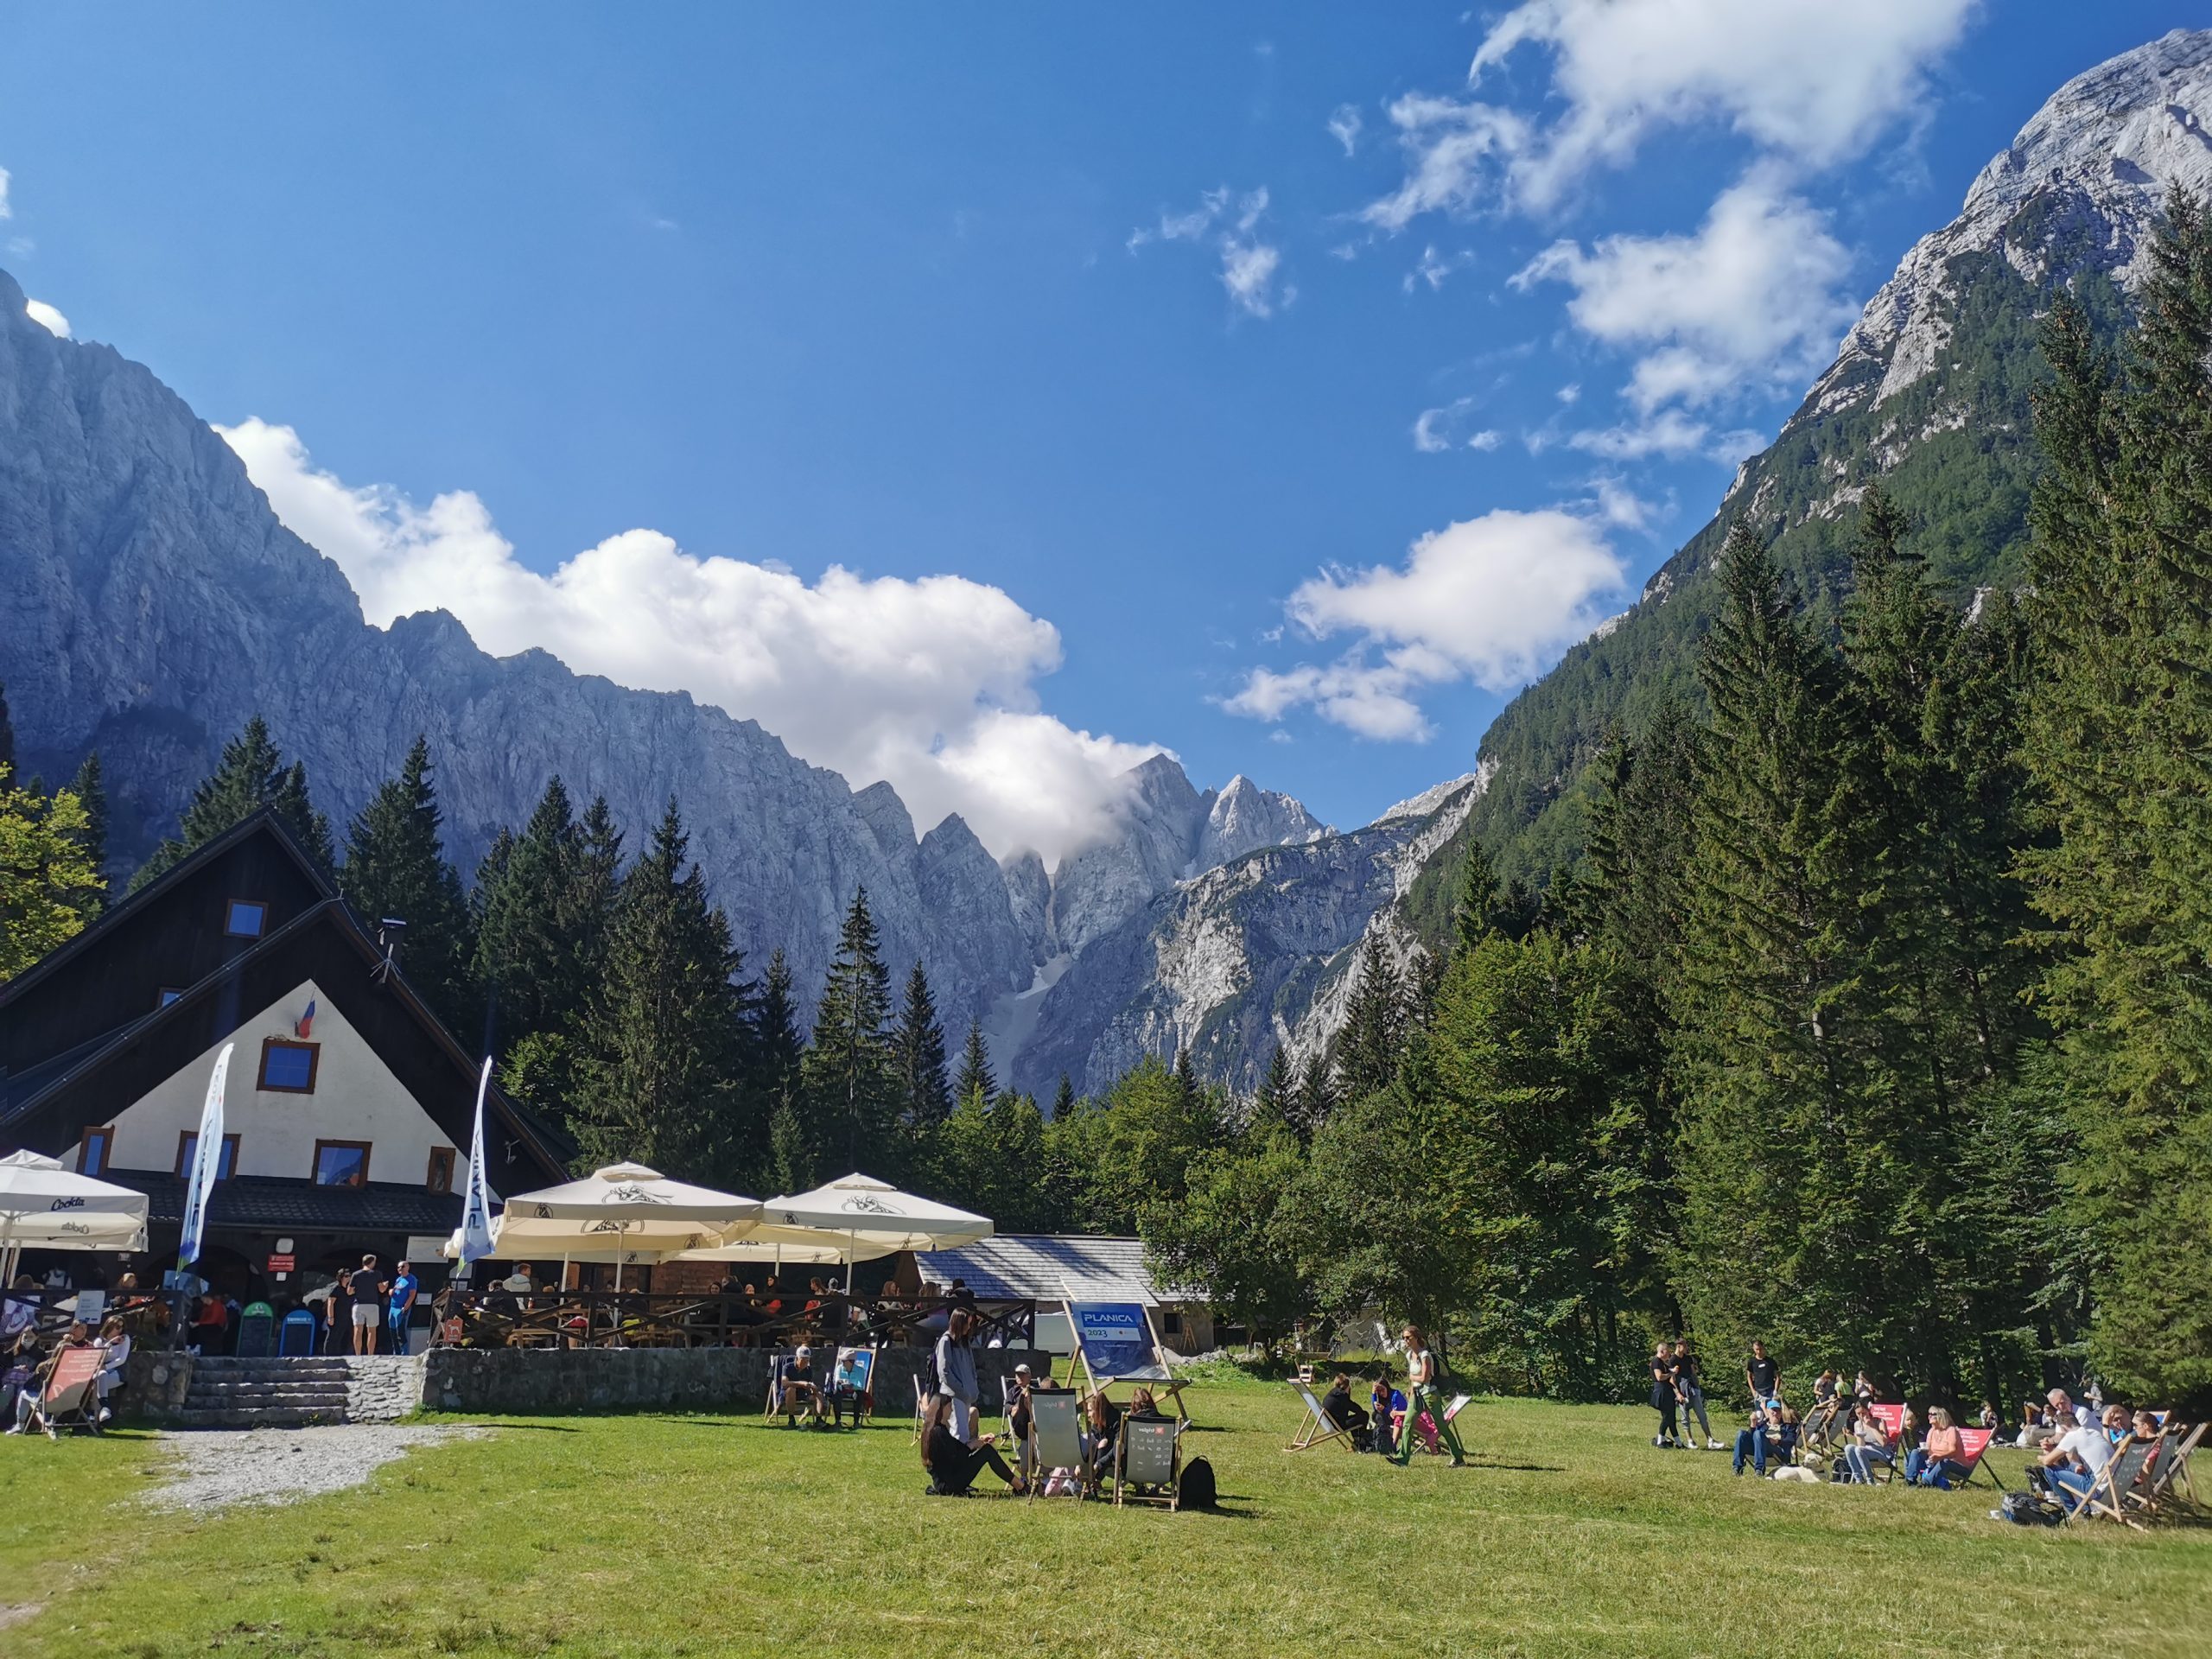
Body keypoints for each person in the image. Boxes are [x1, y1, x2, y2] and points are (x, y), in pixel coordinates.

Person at [919, 1390, 1024, 1496]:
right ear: (941, 1408)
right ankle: (1021, 1487)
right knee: (987, 1452)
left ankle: (1020, 1486)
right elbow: (957, 1458)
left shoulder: (935, 1429)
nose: (952, 1409)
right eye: (950, 1406)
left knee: (986, 1450)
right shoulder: (938, 1432)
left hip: (946, 1481)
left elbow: (956, 1448)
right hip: (948, 1485)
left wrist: (979, 1440)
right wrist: (972, 1446)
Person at [1391, 1324, 1465, 1467]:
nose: (1406, 1341)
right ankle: (1402, 1459)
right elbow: (1414, 1380)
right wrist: (1411, 1391)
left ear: (1416, 1338)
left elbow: (1425, 1378)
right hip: (1416, 1394)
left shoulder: (1425, 1355)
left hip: (1430, 1394)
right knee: (1407, 1424)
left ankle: (1458, 1457)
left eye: (1408, 1337)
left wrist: (1412, 1377)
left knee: (1441, 1426)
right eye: (1404, 1338)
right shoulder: (1409, 1355)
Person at [6, 1322, 92, 1434]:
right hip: (72, 1402)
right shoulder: (76, 1369)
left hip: (49, 1403)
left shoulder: (46, 1366)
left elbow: (38, 1384)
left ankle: (20, 1425)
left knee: (23, 1393)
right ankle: (52, 1421)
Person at [2032, 1402, 2117, 1511]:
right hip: (2115, 1486)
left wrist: (2041, 1456)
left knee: (2049, 1470)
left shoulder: (2072, 1436)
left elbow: (2047, 1461)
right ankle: (2085, 1508)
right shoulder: (2094, 1433)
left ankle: (2072, 1510)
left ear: (2064, 1427)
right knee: (2073, 1466)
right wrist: (2052, 1451)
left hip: (2097, 1490)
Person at [934, 1307, 980, 1440]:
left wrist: (973, 1387)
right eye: (967, 1324)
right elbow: (944, 1371)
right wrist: (960, 1390)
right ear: (959, 1323)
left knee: (964, 1432)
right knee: (959, 1433)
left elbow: (971, 1367)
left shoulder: (964, 1343)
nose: (969, 1327)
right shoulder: (946, 1341)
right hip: (954, 1395)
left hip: (966, 1395)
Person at [1672, 1340, 1719, 1449]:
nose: (1687, 1348)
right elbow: (1672, 1379)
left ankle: (1710, 1440)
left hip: (1693, 1389)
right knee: (1685, 1417)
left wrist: (1697, 1388)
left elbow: (1693, 1373)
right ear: (1679, 1346)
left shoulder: (1688, 1358)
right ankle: (1690, 1440)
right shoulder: (1673, 1360)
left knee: (1702, 1415)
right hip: (1682, 1391)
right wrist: (1678, 1394)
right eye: (1685, 1346)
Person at [1905, 1407, 1967, 1488]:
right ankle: (1910, 1480)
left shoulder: (1951, 1430)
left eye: (1933, 1414)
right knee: (1915, 1452)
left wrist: (1939, 1457)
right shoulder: (1932, 1431)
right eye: (1929, 1414)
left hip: (1956, 1465)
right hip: (1935, 1463)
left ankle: (1925, 1483)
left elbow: (1954, 1452)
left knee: (1944, 1461)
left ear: (1941, 1416)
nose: (1929, 1416)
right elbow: (1928, 1449)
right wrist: (1924, 1452)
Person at [1733, 1397, 1789, 1478]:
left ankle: (1759, 1470)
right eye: (1773, 1410)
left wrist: (1778, 1439)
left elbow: (1790, 1441)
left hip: (1776, 1451)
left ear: (1781, 1413)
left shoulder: (1787, 1427)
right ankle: (1737, 1468)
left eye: (1778, 1411)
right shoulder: (1762, 1425)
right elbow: (1752, 1439)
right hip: (1759, 1450)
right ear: (1767, 1412)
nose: (1775, 1413)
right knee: (1741, 1433)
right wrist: (1753, 1425)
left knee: (1758, 1433)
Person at [1841, 1404, 1896, 1484]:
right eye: (1858, 1414)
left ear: (1869, 1411)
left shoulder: (1879, 1422)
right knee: (1848, 1448)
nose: (1861, 1416)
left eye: (1863, 1413)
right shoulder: (1857, 1424)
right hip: (1866, 1450)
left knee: (1859, 1450)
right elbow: (1861, 1445)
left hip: (1882, 1451)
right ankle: (1859, 1479)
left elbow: (1883, 1443)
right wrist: (1860, 1434)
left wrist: (1872, 1427)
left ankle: (1870, 1480)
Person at [92, 1314, 130, 1423]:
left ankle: (97, 1414)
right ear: (110, 1326)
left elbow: (121, 1359)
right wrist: (110, 1342)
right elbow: (96, 1357)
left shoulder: (124, 1339)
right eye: (117, 1327)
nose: (120, 1330)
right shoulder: (100, 1341)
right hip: (100, 1372)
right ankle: (104, 1409)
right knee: (101, 1376)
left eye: (122, 1327)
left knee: (98, 1382)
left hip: (117, 1371)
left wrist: (106, 1366)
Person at [1321, 1371, 1372, 1450]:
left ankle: (1357, 1443)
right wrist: (1348, 1394)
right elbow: (1357, 1409)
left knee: (1356, 1419)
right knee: (1364, 1415)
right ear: (1347, 1386)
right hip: (1339, 1426)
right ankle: (1360, 1443)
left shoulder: (1332, 1394)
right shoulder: (1342, 1395)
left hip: (1330, 1424)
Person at [776, 1344, 823, 1427]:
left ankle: (819, 1420)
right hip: (788, 1394)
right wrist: (801, 1383)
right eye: (803, 1359)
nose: (805, 1362)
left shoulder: (808, 1370)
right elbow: (784, 1383)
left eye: (807, 1360)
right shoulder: (787, 1367)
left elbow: (809, 1383)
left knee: (819, 1394)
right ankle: (791, 1419)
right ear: (797, 1358)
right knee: (791, 1389)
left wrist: (812, 1388)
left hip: (803, 1394)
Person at [347, 1255, 385, 1355]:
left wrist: (357, 1290)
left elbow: (349, 1292)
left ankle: (358, 1354)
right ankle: (370, 1355)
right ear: (372, 1262)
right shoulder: (377, 1274)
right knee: (372, 1331)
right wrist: (385, 1286)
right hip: (372, 1305)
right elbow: (381, 1290)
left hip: (358, 1305)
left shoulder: (356, 1274)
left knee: (358, 1330)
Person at [384, 1260, 419, 1355]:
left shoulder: (411, 1279)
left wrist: (406, 1307)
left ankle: (404, 1353)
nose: (400, 1269)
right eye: (399, 1267)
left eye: (402, 1266)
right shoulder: (398, 1279)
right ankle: (396, 1353)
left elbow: (412, 1295)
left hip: (401, 1308)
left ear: (408, 1267)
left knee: (400, 1332)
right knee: (393, 1331)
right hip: (393, 1307)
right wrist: (391, 1291)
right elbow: (394, 1291)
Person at [1649, 1341, 1679, 1448]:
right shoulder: (1656, 1361)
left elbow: (1669, 1375)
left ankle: (1679, 1443)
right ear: (1661, 1351)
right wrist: (1672, 1373)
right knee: (1666, 1417)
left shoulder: (1664, 1363)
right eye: (1668, 1351)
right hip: (1661, 1391)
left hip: (1668, 1392)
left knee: (1671, 1419)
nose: (1669, 1354)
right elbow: (1659, 1377)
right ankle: (1660, 1441)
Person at [1745, 1340, 1780, 1407]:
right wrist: (1753, 1391)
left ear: (1763, 1348)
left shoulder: (1771, 1361)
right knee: (1759, 1412)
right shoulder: (1751, 1362)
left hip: (1770, 1391)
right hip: (1758, 1392)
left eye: (1760, 1349)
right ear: (1753, 1349)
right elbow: (1749, 1377)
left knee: (1772, 1411)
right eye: (1756, 1349)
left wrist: (1775, 1390)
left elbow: (1777, 1377)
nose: (1758, 1351)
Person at [1370, 1376, 1397, 1458]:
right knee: (1376, 1415)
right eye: (1379, 1391)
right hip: (1383, 1419)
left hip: (1396, 1419)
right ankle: (1381, 1442)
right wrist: (1374, 1394)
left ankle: (1383, 1442)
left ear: (1387, 1387)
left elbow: (1396, 1413)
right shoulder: (1379, 1397)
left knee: (1378, 1417)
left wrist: (1384, 1409)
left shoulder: (1394, 1395)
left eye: (1383, 1390)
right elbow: (1375, 1408)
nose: (1381, 1393)